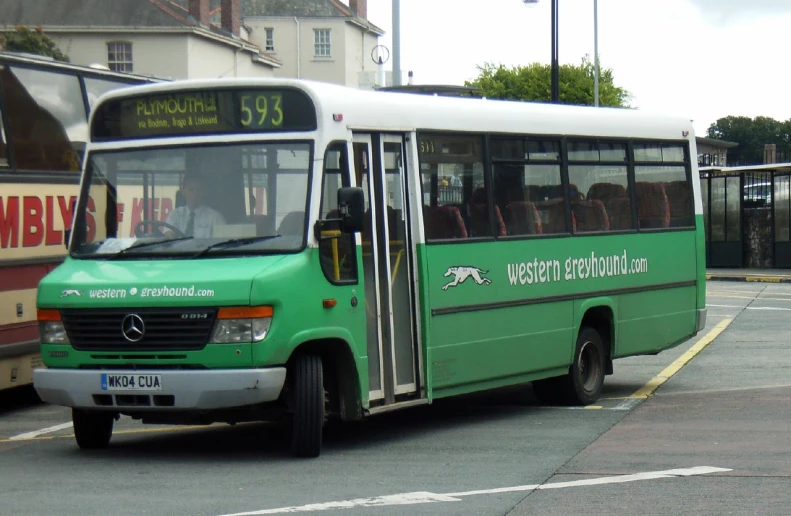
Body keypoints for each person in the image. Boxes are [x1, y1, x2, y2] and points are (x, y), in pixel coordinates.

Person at [165, 174, 226, 238]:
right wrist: (170, 236)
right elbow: (168, 234)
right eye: (191, 190)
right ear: (183, 192)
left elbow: (223, 242)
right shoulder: (175, 215)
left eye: (199, 190)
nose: (195, 194)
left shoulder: (215, 218)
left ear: (204, 192)